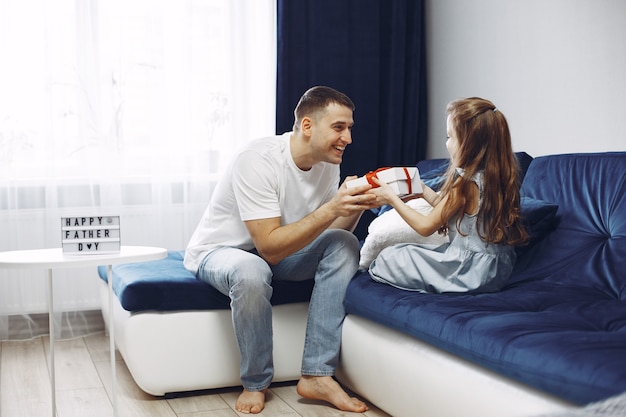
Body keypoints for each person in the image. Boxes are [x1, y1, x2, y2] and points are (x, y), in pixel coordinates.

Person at [184, 86, 378, 414]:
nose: (348, 138)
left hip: (278, 251)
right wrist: (333, 207)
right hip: (220, 250)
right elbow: (270, 249)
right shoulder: (257, 160)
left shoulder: (328, 164)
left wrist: (355, 206)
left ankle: (317, 374)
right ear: (306, 126)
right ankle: (256, 381)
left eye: (349, 128)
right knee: (252, 269)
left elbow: (328, 234)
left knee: (345, 244)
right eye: (338, 127)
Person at [366, 97, 529, 293]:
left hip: (469, 271)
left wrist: (391, 198)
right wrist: (424, 191)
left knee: (389, 256)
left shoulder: (465, 183)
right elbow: (446, 210)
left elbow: (425, 227)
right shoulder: (498, 178)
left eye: (450, 137)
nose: (447, 144)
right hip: (497, 270)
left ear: (469, 143)